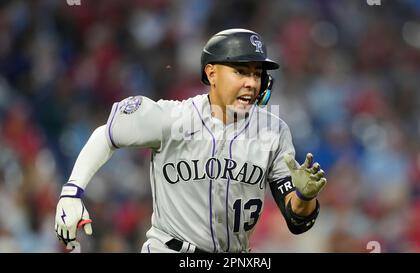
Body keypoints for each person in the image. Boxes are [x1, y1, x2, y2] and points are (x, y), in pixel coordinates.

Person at [54, 28, 327, 253]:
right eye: (241, 72)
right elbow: (107, 135)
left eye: (257, 74)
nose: (252, 83)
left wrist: (305, 196)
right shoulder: (172, 117)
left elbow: (297, 220)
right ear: (212, 74)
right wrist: (72, 192)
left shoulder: (273, 132)